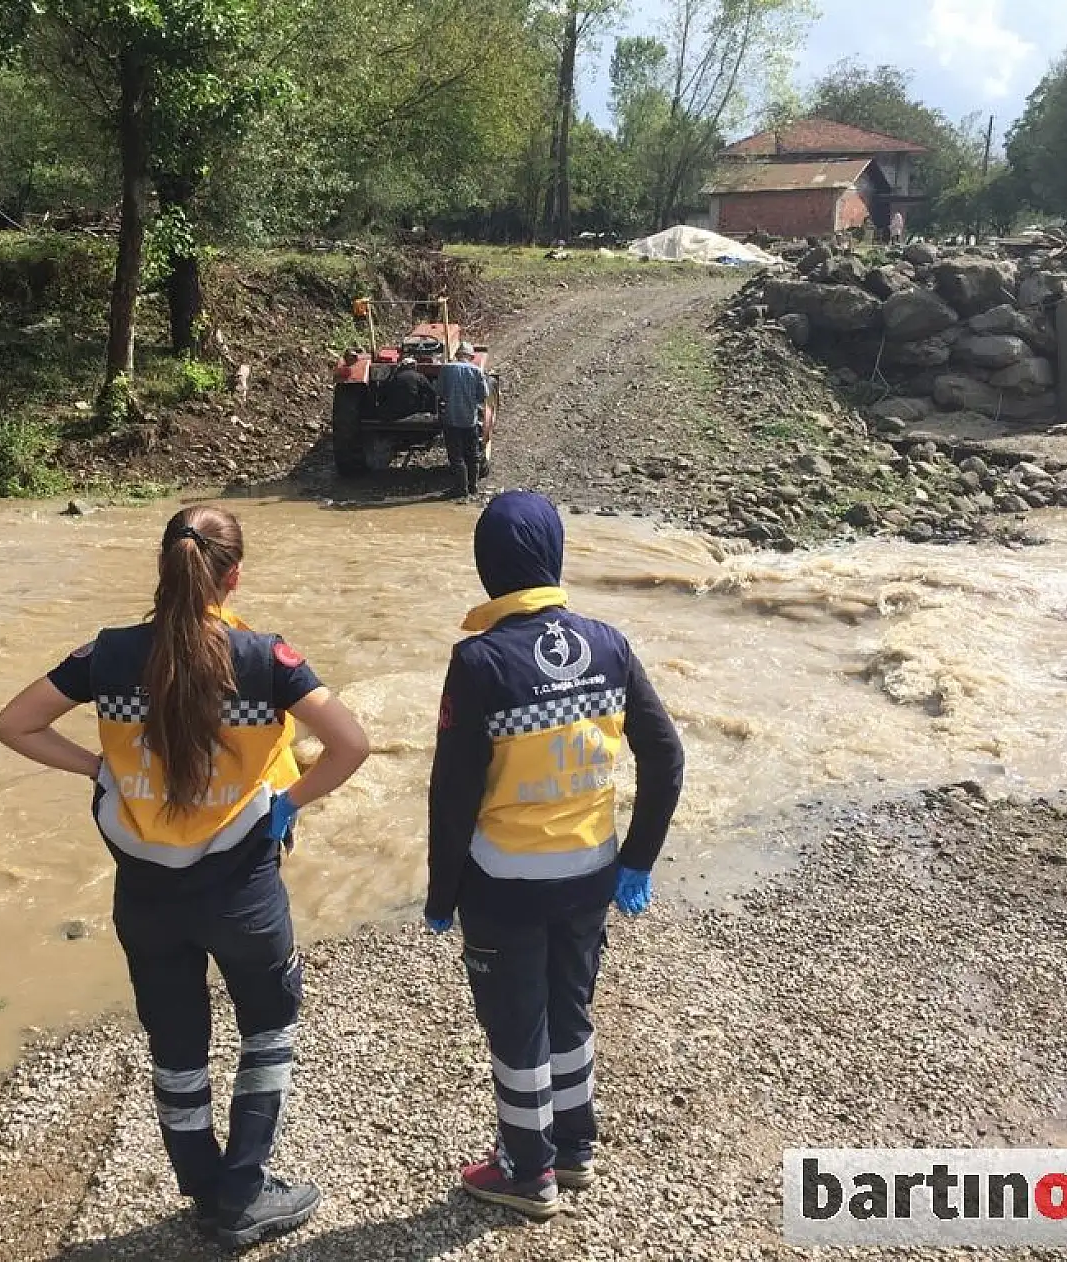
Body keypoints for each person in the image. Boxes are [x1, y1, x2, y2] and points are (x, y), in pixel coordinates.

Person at [0, 505, 369, 1249]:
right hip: (243, 889)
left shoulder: (107, 655)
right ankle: (243, 1192)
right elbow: (351, 744)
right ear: (234, 577)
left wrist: (98, 767)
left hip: (145, 893)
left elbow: (14, 725)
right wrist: (287, 803)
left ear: (164, 569)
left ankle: (202, 1187)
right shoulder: (267, 658)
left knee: (175, 1042)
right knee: (267, 1025)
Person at [425, 490, 684, 1221]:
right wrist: (637, 858)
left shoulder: (478, 661)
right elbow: (666, 756)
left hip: (504, 885)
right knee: (569, 1011)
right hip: (589, 875)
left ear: (487, 567)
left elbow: (453, 792)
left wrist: (442, 894)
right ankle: (573, 1146)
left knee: (517, 1027)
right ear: (555, 556)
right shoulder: (610, 646)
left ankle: (526, 1170)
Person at [436, 342, 491, 498]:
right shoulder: (476, 371)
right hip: (470, 420)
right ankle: (473, 487)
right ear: (470, 357)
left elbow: (439, 391)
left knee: (456, 456)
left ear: (457, 355)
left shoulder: (446, 369)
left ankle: (460, 488)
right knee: (472, 454)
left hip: (452, 419)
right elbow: (483, 395)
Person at [382, 355, 437, 420]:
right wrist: (433, 411)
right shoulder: (419, 377)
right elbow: (431, 393)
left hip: (394, 412)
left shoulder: (394, 377)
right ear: (413, 366)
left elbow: (385, 393)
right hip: (412, 411)